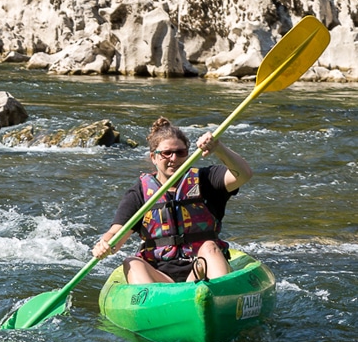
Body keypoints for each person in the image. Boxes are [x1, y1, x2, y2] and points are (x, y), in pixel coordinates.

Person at [92, 117, 253, 283]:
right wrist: (104, 244)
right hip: (160, 277)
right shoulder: (139, 192)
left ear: (187, 155)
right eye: (166, 153)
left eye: (180, 153)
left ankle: (221, 297)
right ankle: (154, 305)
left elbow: (244, 174)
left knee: (209, 247)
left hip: (200, 270)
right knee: (130, 262)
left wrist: (218, 148)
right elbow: (116, 234)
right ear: (153, 157)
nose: (173, 159)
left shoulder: (207, 179)